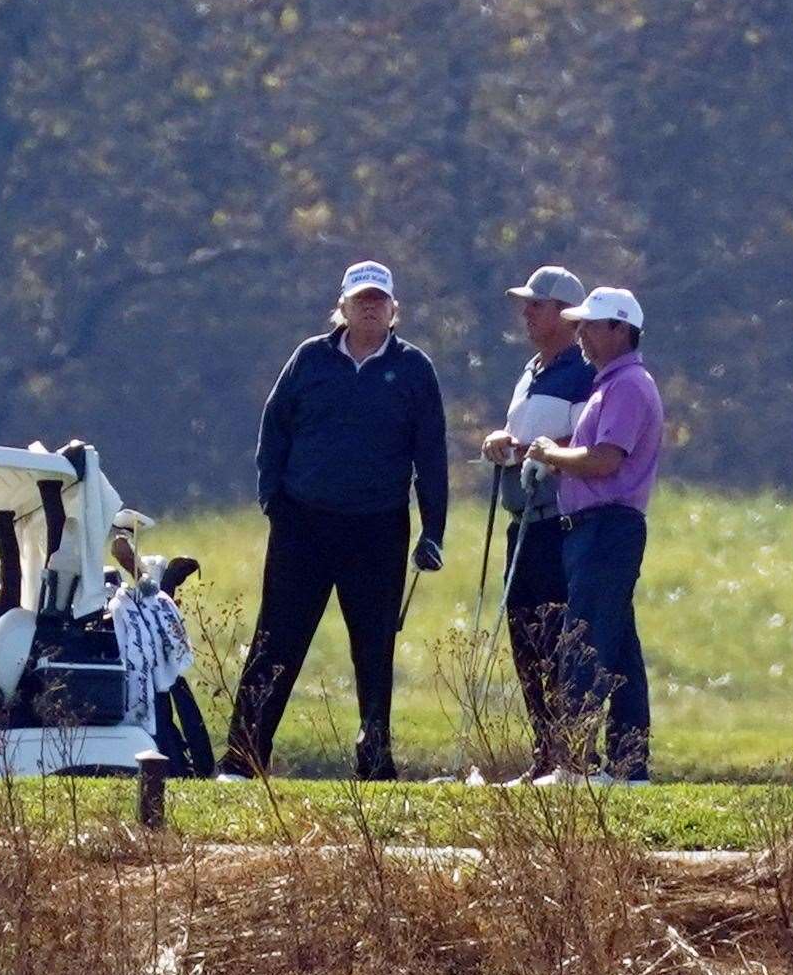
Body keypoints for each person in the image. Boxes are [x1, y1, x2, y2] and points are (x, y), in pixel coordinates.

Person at [218, 260, 448, 782]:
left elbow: (430, 454)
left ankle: (375, 761)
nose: (370, 307)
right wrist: (272, 499)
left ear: (394, 311)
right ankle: (242, 757)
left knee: (374, 645)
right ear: (341, 307)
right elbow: (274, 430)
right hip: (303, 523)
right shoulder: (310, 359)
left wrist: (433, 530)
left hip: (379, 527)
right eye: (360, 299)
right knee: (277, 639)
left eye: (379, 300)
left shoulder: (414, 369)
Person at [525, 286, 663, 785]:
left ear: (620, 330)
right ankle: (629, 767)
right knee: (620, 647)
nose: (580, 334)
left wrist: (548, 455)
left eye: (590, 325)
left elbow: (605, 460)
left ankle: (575, 764)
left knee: (585, 643)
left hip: (607, 526)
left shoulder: (627, 385)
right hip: (599, 528)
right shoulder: (610, 384)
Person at [480, 265, 596, 783]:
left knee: (554, 637)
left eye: (537, 305)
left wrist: (530, 451)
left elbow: (584, 443)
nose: (526, 312)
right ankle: (544, 753)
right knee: (524, 638)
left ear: (566, 317)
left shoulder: (583, 373)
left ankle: (570, 755)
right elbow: (524, 434)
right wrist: (498, 442)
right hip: (520, 522)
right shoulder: (531, 370)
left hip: (558, 523)